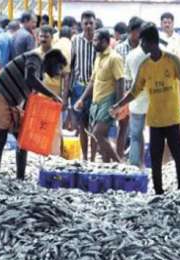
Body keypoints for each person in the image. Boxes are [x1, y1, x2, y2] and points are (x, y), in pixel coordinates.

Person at [112, 23, 180, 194]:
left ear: (151, 41)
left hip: (173, 118)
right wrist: (119, 105)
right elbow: (134, 91)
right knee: (155, 158)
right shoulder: (145, 65)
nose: (141, 46)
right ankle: (158, 191)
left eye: (143, 42)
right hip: (155, 120)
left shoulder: (172, 59)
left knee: (178, 156)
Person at [0, 49, 66, 179]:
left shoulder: (40, 74)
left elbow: (29, 96)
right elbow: (30, 79)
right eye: (59, 68)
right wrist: (52, 95)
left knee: (23, 139)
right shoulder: (35, 58)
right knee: (0, 138)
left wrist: (27, 119)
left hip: (11, 103)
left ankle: (20, 177)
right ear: (52, 61)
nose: (59, 72)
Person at [74, 29, 124, 163]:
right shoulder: (98, 56)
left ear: (105, 42)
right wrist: (82, 99)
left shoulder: (115, 58)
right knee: (101, 137)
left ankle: (119, 163)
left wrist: (118, 106)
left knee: (97, 134)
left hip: (108, 101)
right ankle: (108, 165)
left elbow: (120, 82)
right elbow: (93, 80)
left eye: (96, 40)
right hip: (96, 102)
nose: (93, 42)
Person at [68, 10, 97, 161]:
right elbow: (71, 67)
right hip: (79, 87)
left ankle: (93, 157)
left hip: (97, 88)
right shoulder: (75, 40)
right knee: (82, 125)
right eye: (85, 23)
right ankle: (85, 156)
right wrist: (67, 90)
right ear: (81, 24)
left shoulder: (100, 39)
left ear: (95, 23)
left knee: (95, 125)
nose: (88, 26)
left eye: (91, 23)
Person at [114, 17, 143, 159]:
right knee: (123, 128)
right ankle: (119, 158)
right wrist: (119, 97)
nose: (139, 34)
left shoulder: (144, 49)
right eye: (137, 31)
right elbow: (117, 74)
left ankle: (135, 159)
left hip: (140, 95)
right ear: (130, 31)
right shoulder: (119, 48)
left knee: (138, 130)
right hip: (124, 93)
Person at [37, 25, 66, 155]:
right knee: (40, 127)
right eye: (41, 36)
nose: (43, 39)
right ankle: (41, 154)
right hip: (39, 97)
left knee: (55, 130)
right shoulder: (35, 54)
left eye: (46, 36)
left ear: (52, 38)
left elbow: (66, 76)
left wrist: (64, 98)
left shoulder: (58, 54)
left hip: (55, 96)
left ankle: (54, 156)